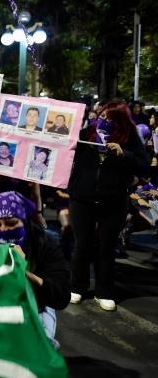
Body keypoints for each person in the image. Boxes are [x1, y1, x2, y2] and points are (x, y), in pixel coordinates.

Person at [68, 101, 149, 311]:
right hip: (82, 198)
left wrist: (125, 154)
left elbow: (144, 165)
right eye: (101, 116)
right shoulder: (85, 134)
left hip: (114, 200)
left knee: (106, 247)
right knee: (81, 244)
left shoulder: (130, 138)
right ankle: (77, 287)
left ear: (121, 122)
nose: (103, 121)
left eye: (110, 119)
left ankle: (103, 291)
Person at [0, 191, 70, 349]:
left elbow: (61, 296)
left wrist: (22, 272)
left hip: (36, 304)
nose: (4, 230)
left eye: (12, 223)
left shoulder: (45, 244)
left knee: (37, 346)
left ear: (25, 221)